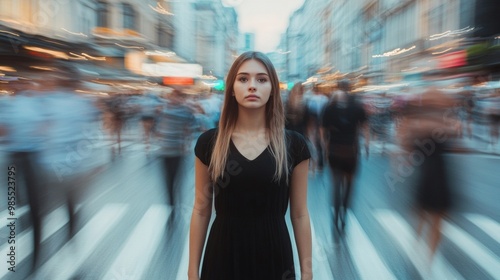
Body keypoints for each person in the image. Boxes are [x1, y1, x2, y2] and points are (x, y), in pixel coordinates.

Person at [188, 51, 312, 280]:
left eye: (261, 79)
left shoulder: (293, 145)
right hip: (222, 257)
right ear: (232, 89)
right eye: (243, 79)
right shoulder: (210, 143)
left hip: (275, 259)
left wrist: (307, 272)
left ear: (273, 88)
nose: (252, 86)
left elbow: (300, 214)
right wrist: (192, 272)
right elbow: (201, 209)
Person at [321, 79, 368, 235]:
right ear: (350, 89)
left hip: (334, 150)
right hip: (351, 151)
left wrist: (325, 146)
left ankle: (335, 217)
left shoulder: (330, 107)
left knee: (335, 184)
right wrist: (366, 146)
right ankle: (344, 216)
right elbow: (365, 128)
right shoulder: (357, 107)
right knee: (349, 185)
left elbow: (323, 130)